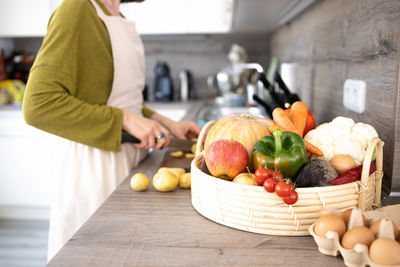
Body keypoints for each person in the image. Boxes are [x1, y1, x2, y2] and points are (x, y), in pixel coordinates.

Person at [22, 0, 200, 262]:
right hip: (95, 166)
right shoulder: (77, 9)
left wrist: (167, 123)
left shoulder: (117, 15)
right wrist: (124, 119)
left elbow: (123, 100)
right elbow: (38, 104)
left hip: (130, 159)